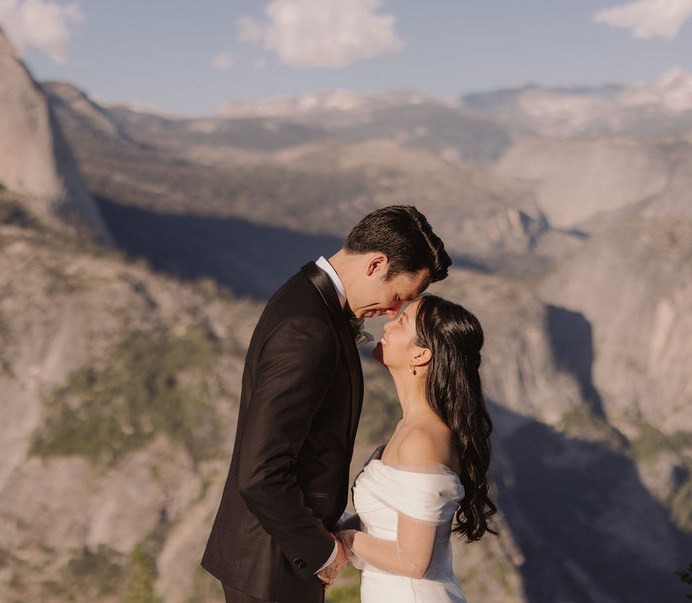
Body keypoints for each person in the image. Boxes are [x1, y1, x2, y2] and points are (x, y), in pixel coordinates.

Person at [202, 206, 452, 603]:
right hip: (272, 564)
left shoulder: (308, 298)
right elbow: (260, 471)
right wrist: (323, 552)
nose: (392, 311)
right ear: (376, 263)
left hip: (276, 557)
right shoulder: (309, 329)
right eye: (399, 296)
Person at [336, 295, 496, 602]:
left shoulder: (422, 440)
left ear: (421, 355)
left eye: (401, 322)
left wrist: (345, 541)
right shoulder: (410, 429)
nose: (387, 325)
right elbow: (384, 523)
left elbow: (413, 561)